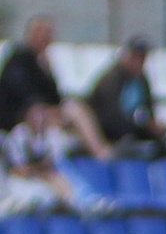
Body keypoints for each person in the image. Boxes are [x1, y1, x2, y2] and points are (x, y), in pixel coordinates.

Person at [0, 17, 113, 158]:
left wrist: (48, 72)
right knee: (73, 111)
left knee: (75, 110)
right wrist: (44, 107)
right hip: (22, 116)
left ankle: (96, 152)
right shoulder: (20, 59)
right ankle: (101, 153)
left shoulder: (41, 63)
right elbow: (20, 92)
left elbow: (54, 96)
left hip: (41, 112)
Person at [0, 104, 116, 217]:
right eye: (35, 116)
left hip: (46, 175)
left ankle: (87, 201)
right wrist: (40, 169)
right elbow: (17, 170)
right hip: (22, 180)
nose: (38, 120)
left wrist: (45, 170)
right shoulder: (19, 135)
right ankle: (80, 203)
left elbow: (55, 161)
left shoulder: (50, 135)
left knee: (64, 172)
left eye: (41, 115)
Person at [83, 38, 166, 157]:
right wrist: (138, 123)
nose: (139, 62)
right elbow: (110, 115)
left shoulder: (142, 81)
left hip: (133, 130)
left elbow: (147, 109)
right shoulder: (112, 80)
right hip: (110, 133)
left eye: (142, 58)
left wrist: (152, 126)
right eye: (135, 57)